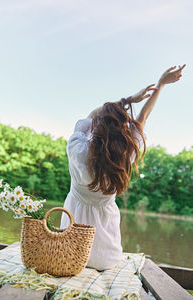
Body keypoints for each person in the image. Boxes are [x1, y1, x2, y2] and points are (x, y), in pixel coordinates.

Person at [60, 64, 186, 271]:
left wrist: (127, 101)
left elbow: (91, 115)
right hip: (105, 259)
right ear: (122, 134)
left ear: (96, 126)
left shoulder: (77, 148)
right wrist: (161, 84)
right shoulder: (126, 157)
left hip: (70, 252)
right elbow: (142, 119)